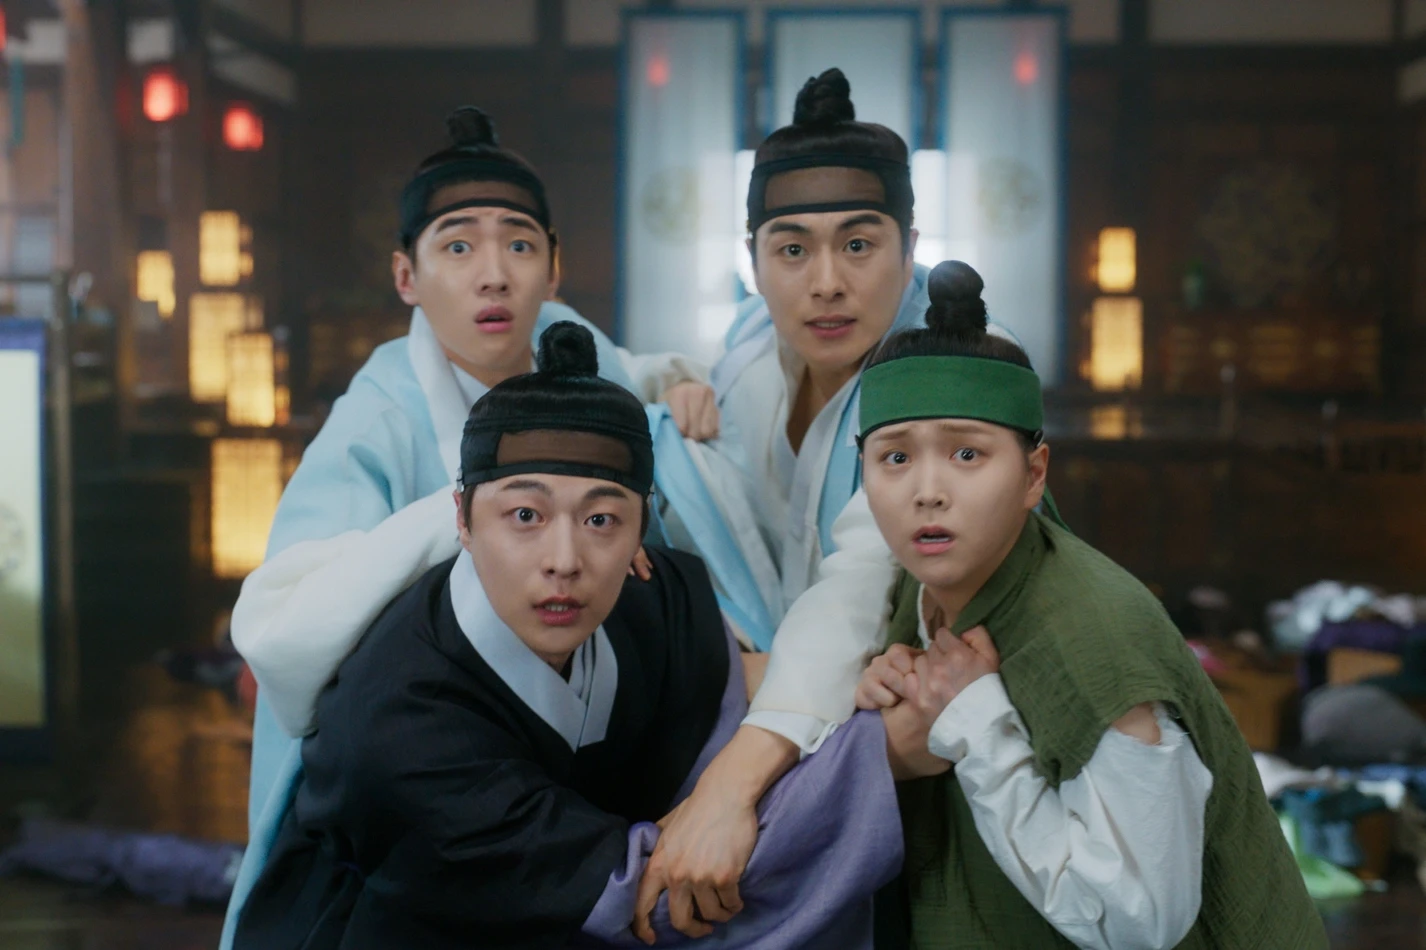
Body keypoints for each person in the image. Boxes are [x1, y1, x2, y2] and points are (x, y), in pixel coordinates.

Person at [221, 106, 721, 946]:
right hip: (423, 757)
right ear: (406, 276)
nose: (494, 277)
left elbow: (628, 380)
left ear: (554, 267)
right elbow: (287, 630)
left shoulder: (564, 341)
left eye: (519, 246)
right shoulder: (378, 419)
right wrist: (472, 517)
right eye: (457, 248)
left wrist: (675, 388)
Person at [230, 323, 900, 950]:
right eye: (526, 515)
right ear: (462, 518)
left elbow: (736, 684)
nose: (565, 560)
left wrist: (870, 686)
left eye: (602, 520)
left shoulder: (640, 593)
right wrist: (890, 746)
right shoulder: (399, 728)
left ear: (641, 534)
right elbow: (656, 894)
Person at [777, 261, 1328, 948]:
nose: (927, 491)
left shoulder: (1095, 633)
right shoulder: (919, 586)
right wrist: (883, 708)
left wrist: (978, 722)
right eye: (895, 458)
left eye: (967, 455)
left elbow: (1138, 919)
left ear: (1034, 474)